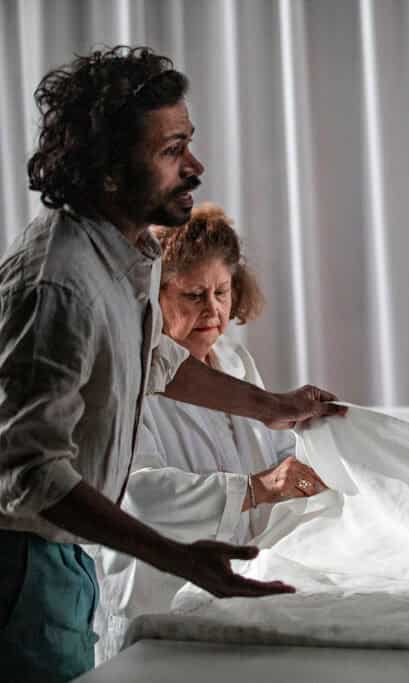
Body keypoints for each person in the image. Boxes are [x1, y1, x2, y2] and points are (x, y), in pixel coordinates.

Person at [0, 46, 341, 681]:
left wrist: (271, 407)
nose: (196, 167)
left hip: (60, 558)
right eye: (171, 150)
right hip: (23, 563)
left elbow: (155, 360)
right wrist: (178, 557)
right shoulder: (60, 284)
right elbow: (28, 472)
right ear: (107, 171)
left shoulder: (126, 251)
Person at [91, 203, 330, 660]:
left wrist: (315, 451)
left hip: (233, 596)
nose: (213, 309)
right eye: (194, 295)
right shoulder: (129, 377)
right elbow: (137, 494)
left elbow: (276, 450)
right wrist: (256, 489)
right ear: (154, 296)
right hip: (154, 602)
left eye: (222, 292)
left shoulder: (237, 363)